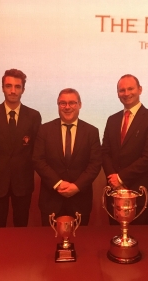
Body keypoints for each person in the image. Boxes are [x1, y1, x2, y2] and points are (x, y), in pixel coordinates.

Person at [0, 69, 41, 227]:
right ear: (2, 88)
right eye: (8, 86)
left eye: (17, 86)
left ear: (23, 89)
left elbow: (35, 149)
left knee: (21, 227)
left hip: (23, 182)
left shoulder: (34, 116)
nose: (13, 91)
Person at [33, 88, 102, 226]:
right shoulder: (44, 130)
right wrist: (58, 183)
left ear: (80, 105)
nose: (67, 107)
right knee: (49, 242)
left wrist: (77, 186)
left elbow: (95, 163)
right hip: (51, 199)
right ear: (58, 105)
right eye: (62, 103)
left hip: (80, 199)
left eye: (72, 103)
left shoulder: (91, 131)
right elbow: (38, 160)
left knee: (81, 242)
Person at [102, 74, 148, 225]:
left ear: (140, 89)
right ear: (118, 94)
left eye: (130, 88)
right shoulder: (112, 119)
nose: (126, 93)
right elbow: (105, 152)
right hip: (114, 192)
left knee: (141, 240)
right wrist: (113, 179)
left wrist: (121, 178)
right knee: (115, 238)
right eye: (122, 90)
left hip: (139, 193)